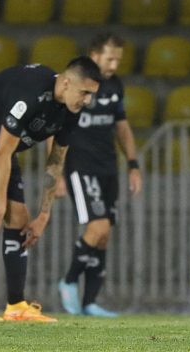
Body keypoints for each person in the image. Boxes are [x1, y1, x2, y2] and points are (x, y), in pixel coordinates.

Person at [0, 58, 102, 322]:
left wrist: (44, 215)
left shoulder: (70, 112)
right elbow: (1, 154)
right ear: (66, 82)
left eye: (92, 95)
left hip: (3, 148)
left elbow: (55, 161)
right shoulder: (30, 95)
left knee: (19, 220)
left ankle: (16, 306)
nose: (87, 100)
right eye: (85, 92)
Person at [56, 34, 142, 318]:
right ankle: (68, 281)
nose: (114, 64)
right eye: (110, 58)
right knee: (99, 227)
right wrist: (56, 173)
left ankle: (90, 302)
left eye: (118, 58)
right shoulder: (79, 85)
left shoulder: (115, 85)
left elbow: (122, 128)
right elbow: (59, 130)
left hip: (108, 167)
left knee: (104, 237)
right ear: (95, 55)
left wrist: (133, 164)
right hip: (82, 166)